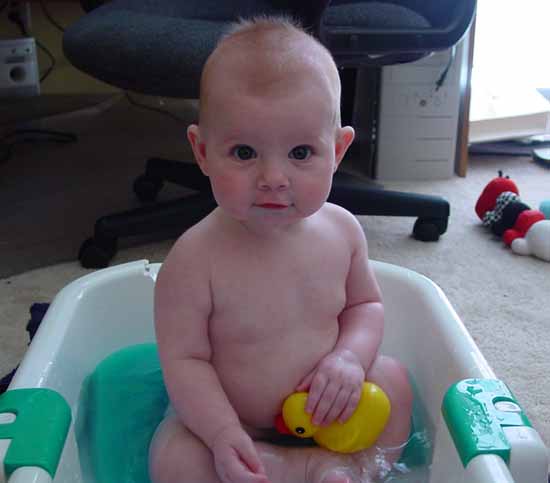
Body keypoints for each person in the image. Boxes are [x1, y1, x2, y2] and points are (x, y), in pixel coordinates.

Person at [149, 15, 413, 483]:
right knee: (173, 459)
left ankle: (360, 468)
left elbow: (365, 305)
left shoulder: (344, 231)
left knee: (392, 378)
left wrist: (349, 358)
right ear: (202, 151)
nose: (274, 178)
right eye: (245, 153)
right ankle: (305, 468)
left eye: (300, 153)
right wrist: (222, 432)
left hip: (336, 410)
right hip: (241, 426)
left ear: (337, 150)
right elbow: (185, 363)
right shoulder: (193, 260)